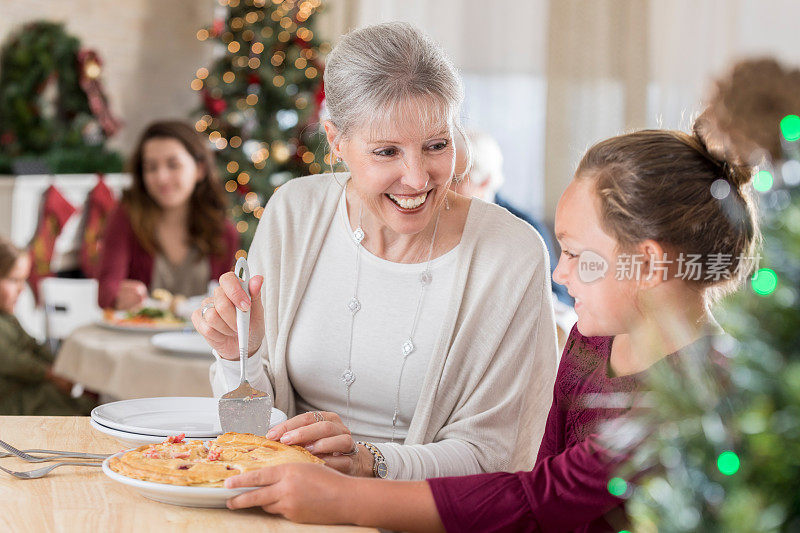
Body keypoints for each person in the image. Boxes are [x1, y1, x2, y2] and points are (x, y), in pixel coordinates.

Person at [219, 122, 760, 532]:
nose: (559, 271)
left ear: (646, 263)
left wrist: (342, 496)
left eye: (574, 254)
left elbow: (538, 499)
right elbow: (540, 473)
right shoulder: (595, 339)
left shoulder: (693, 396)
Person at [194, 21, 559, 481]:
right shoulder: (295, 212)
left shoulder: (511, 253)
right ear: (336, 141)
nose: (418, 178)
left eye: (436, 145)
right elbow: (249, 433)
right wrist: (236, 357)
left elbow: (497, 457)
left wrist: (370, 463)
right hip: (286, 501)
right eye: (387, 151)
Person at [97, 120, 239, 310]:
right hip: (139, 334)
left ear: (200, 170)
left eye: (173, 165)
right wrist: (118, 296)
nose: (161, 177)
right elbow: (106, 292)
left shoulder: (224, 233)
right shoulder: (125, 218)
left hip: (200, 339)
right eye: (151, 167)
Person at [451, 129, 572, 306]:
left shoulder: (525, 227)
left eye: (456, 181)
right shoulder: (439, 217)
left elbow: (560, 300)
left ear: (484, 181)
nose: (445, 190)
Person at [0, 237, 98, 415]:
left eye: (24, 281)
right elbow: (11, 360)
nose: (21, 289)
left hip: (33, 391)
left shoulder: (9, 317)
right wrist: (50, 374)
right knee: (62, 406)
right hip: (11, 405)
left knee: (84, 405)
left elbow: (33, 345)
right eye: (14, 280)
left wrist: (58, 369)